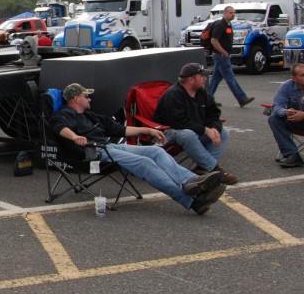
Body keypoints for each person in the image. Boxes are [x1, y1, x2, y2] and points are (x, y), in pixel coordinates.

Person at [52, 83, 225, 215]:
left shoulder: (90, 115)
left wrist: (148, 130)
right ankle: (192, 200)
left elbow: (120, 130)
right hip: (93, 152)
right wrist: (75, 137)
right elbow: (58, 126)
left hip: (110, 146)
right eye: (86, 96)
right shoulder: (66, 114)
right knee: (144, 163)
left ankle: (191, 182)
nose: (89, 99)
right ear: (76, 99)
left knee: (156, 151)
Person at [153, 62, 237, 184]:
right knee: (187, 134)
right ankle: (213, 169)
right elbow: (178, 122)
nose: (205, 79)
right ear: (191, 79)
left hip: (192, 130)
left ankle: (201, 169)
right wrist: (205, 130)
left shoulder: (201, 93)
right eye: (201, 76)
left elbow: (213, 114)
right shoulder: (173, 94)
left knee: (223, 132)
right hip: (166, 133)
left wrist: (214, 128)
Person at [207, 5, 255, 107]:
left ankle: (207, 99)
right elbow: (213, 41)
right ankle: (242, 98)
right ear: (224, 13)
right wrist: (224, 52)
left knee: (216, 78)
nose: (233, 14)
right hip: (221, 55)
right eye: (230, 13)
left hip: (222, 55)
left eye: (234, 13)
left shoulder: (228, 25)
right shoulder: (220, 25)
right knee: (230, 77)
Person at [268, 62, 304, 168]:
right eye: (303, 75)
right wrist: (286, 112)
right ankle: (292, 154)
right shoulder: (286, 86)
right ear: (294, 78)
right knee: (273, 118)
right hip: (294, 120)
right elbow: (276, 106)